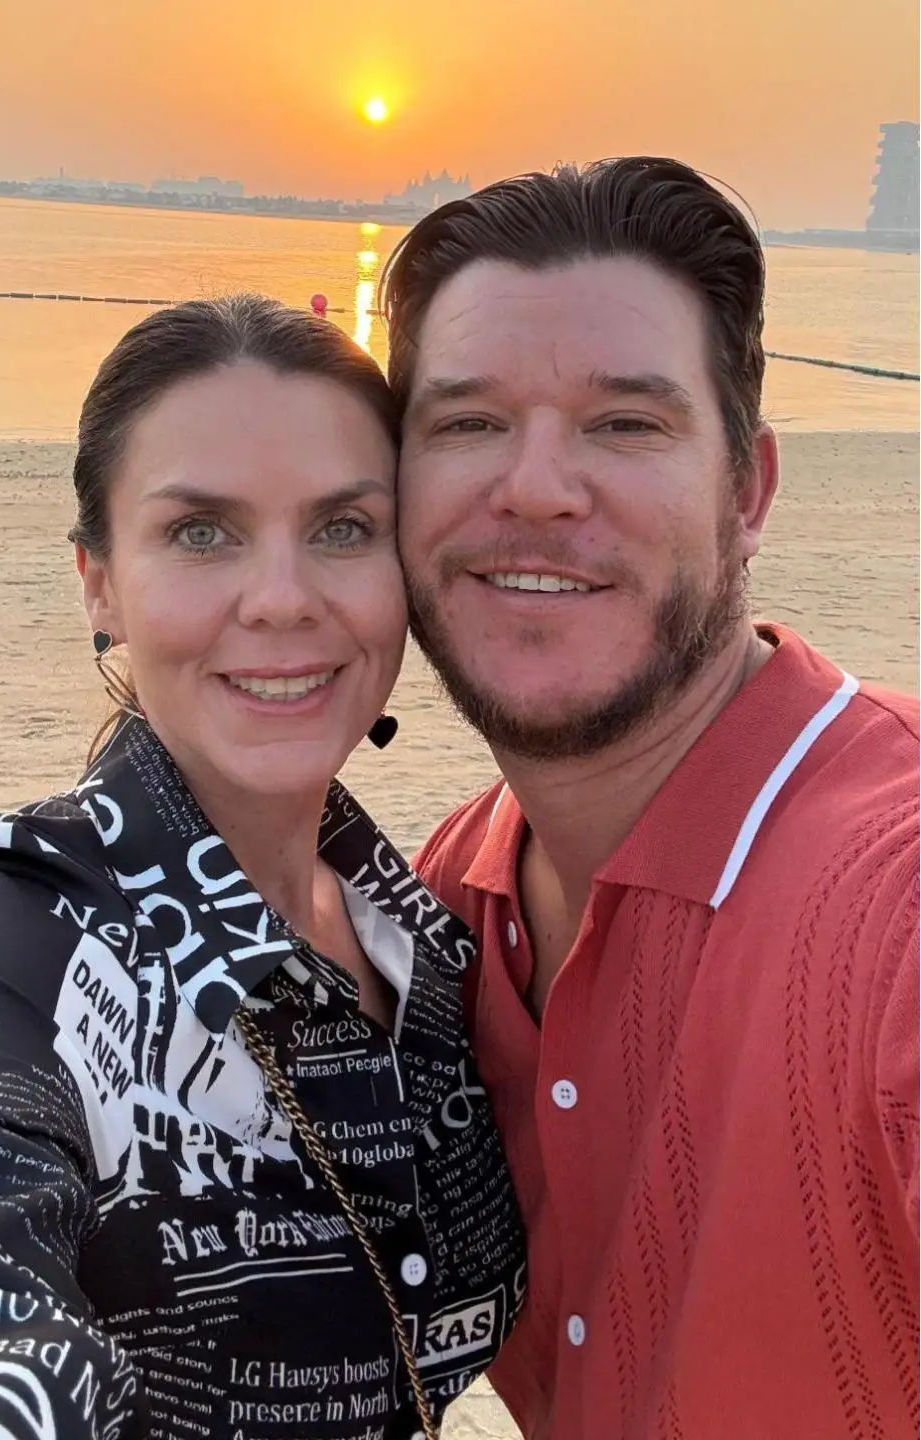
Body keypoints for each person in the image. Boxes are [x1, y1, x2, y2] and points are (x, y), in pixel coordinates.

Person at [382, 157, 919, 1438]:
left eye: (627, 424)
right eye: (465, 424)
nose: (537, 487)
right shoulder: (436, 911)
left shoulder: (893, 904)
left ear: (749, 492)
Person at [0, 295, 527, 1440]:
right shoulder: (11, 950)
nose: (282, 600)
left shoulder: (423, 933)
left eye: (343, 528)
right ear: (99, 582)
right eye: (203, 533)